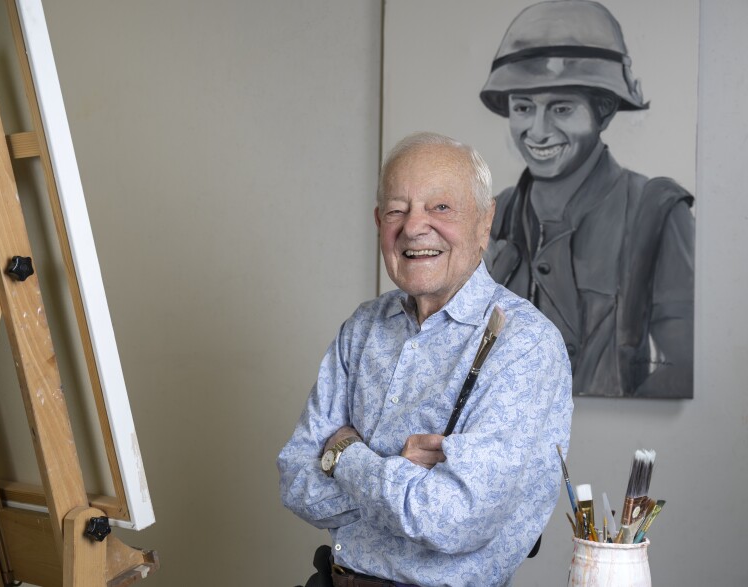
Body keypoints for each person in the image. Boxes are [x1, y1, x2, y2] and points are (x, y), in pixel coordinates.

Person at [278, 132, 573, 587]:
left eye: (440, 208)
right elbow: (296, 480)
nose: (414, 227)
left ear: (485, 219)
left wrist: (344, 456)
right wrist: (399, 466)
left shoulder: (526, 344)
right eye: (397, 210)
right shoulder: (362, 328)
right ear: (379, 221)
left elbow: (454, 518)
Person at [480, 0, 695, 398]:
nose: (538, 131)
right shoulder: (493, 216)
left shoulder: (658, 214)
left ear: (605, 110)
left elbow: (685, 368)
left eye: (562, 108)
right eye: (523, 107)